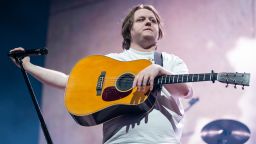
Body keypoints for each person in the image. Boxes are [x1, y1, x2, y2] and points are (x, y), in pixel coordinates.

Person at [10, 4, 193, 144]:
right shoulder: (112, 61)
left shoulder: (170, 61)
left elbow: (184, 91)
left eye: (153, 20)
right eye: (141, 19)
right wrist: (28, 66)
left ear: (159, 31)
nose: (148, 22)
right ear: (129, 30)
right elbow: (69, 81)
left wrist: (158, 70)